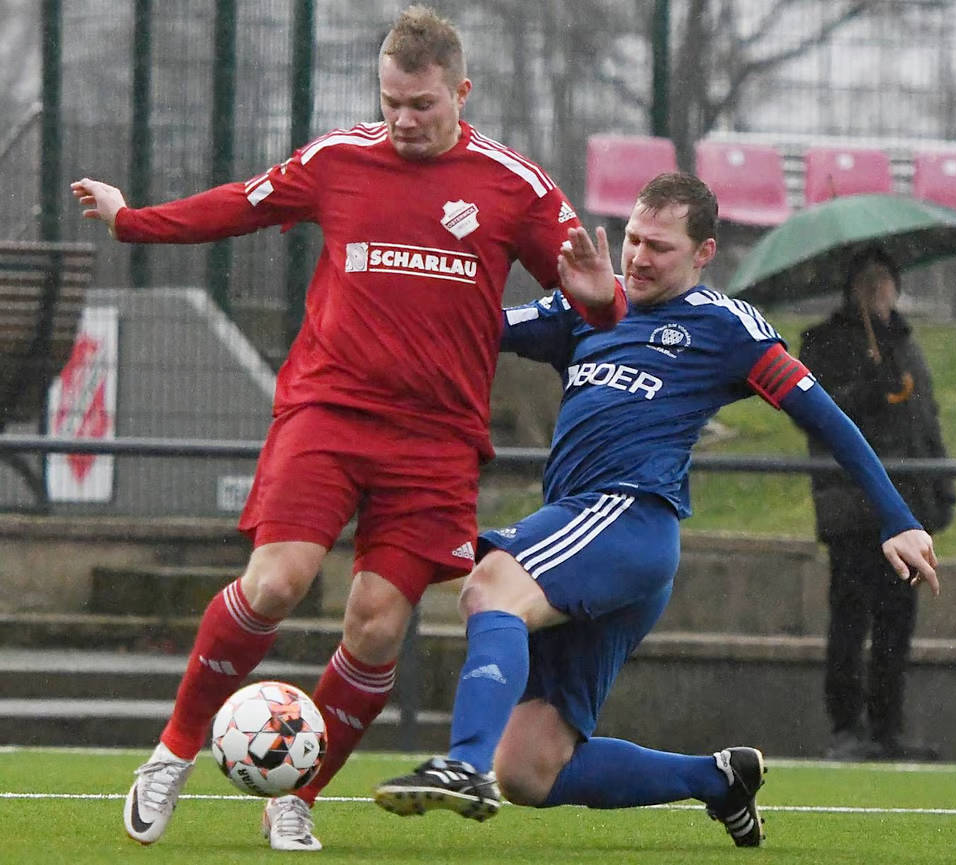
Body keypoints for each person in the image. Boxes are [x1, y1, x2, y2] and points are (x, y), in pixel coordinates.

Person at [71, 5, 624, 852]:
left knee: (375, 623)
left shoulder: (515, 185)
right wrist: (131, 219)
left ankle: (299, 794)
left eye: (423, 105)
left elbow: (595, 300)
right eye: (392, 101)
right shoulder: (338, 159)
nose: (404, 119)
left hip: (436, 440)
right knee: (276, 581)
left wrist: (600, 294)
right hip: (327, 412)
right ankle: (174, 750)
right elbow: (241, 204)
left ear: (461, 93)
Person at [373, 173, 940, 848]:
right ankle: (716, 779)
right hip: (586, 540)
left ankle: (462, 763)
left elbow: (831, 420)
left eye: (659, 247)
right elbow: (477, 330)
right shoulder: (588, 307)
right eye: (633, 239)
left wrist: (897, 518)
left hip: (628, 521)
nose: (638, 257)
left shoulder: (725, 327)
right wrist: (399, 295)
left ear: (703, 253)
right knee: (529, 768)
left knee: (489, 585)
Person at [798, 248, 955, 762]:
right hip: (851, 509)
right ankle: (846, 726)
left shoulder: (905, 345)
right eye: (866, 279)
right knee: (850, 616)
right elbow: (816, 414)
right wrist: (865, 386)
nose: (877, 288)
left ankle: (888, 727)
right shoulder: (822, 342)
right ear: (850, 287)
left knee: (897, 620)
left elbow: (924, 423)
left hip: (907, 510)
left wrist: (941, 489)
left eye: (885, 279)